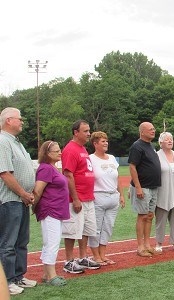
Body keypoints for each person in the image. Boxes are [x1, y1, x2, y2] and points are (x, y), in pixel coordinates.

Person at [0, 107, 36, 295]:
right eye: (19, 118)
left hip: (21, 199)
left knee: (21, 240)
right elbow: (5, 173)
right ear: (8, 120)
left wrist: (27, 193)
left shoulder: (16, 142)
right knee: (8, 243)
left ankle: (18, 276)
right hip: (10, 200)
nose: (22, 121)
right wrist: (23, 193)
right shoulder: (2, 141)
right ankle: (6, 281)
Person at [61, 120, 100, 274]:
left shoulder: (82, 148)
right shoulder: (70, 149)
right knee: (72, 230)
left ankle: (83, 257)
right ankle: (69, 260)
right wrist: (75, 198)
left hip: (88, 197)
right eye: (85, 131)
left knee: (85, 229)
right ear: (76, 132)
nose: (89, 133)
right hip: (77, 198)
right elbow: (68, 175)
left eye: (89, 130)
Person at [33, 141, 69, 286]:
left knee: (50, 242)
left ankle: (47, 273)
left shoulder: (52, 167)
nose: (60, 153)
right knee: (52, 242)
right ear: (47, 154)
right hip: (50, 209)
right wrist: (34, 206)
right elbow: (38, 190)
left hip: (56, 209)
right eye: (56, 151)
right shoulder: (46, 168)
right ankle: (51, 275)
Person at [88, 131, 125, 265]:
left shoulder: (112, 158)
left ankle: (103, 254)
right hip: (98, 196)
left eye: (106, 141)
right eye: (103, 141)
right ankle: (95, 256)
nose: (106, 143)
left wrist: (121, 194)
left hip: (113, 196)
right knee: (96, 228)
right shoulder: (90, 159)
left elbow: (117, 178)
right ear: (95, 143)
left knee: (108, 227)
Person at [129, 122, 161, 257]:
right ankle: (140, 246)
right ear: (142, 132)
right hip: (143, 187)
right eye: (150, 129)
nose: (153, 131)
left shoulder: (151, 146)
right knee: (142, 216)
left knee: (149, 216)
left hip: (153, 187)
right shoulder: (137, 146)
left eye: (154, 129)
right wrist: (138, 187)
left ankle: (148, 244)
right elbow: (132, 166)